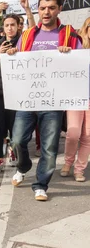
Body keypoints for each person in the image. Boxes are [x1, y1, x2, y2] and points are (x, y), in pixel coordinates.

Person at [7, 0, 82, 201]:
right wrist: (13, 54)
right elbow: (20, 61)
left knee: (49, 147)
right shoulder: (28, 34)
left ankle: (40, 184)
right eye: (42, 8)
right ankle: (23, 166)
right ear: (37, 10)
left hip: (53, 103)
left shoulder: (70, 35)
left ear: (59, 9)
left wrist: (71, 55)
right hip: (28, 99)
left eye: (51, 8)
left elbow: (82, 65)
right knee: (16, 140)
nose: (46, 12)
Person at [0, 13, 22, 173]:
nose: (10, 28)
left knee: (14, 128)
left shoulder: (24, 42)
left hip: (16, 92)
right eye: (7, 25)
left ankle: (13, 153)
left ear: (18, 26)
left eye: (13, 25)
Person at [61, 16, 90, 183]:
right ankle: (68, 162)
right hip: (75, 96)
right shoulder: (77, 47)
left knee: (88, 136)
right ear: (86, 29)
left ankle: (79, 169)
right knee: (73, 133)